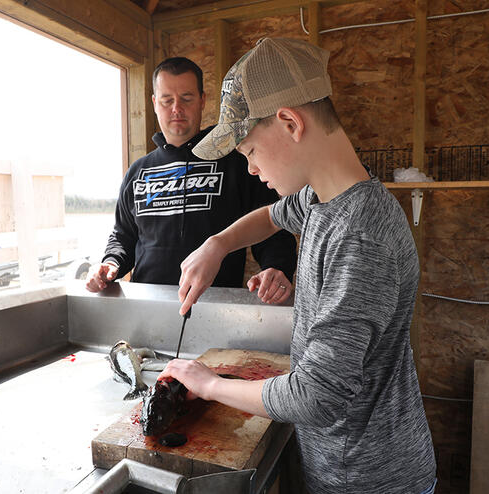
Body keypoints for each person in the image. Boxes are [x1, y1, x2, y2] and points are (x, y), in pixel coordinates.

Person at [163, 39, 437, 494]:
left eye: (249, 150)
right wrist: (217, 244)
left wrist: (208, 385)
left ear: (290, 123)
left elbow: (317, 396)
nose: (250, 169)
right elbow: (271, 216)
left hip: (369, 479)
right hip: (341, 464)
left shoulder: (359, 235)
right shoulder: (323, 198)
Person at [85, 57, 296, 302]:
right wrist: (111, 264)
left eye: (186, 99)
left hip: (217, 305)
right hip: (147, 306)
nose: (176, 109)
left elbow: (272, 224)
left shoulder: (237, 164)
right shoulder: (137, 172)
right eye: (167, 101)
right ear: (154, 103)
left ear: (202, 101)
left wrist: (276, 267)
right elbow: (123, 236)